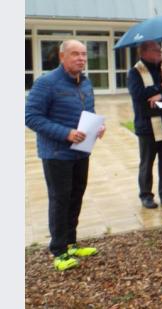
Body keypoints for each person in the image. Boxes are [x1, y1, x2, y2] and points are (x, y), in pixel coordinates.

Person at [25, 40, 106, 271]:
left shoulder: (86, 82)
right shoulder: (46, 83)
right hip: (56, 153)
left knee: (75, 196)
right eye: (74, 54)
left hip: (81, 152)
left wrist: (97, 127)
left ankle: (70, 243)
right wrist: (66, 133)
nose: (81, 58)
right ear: (62, 57)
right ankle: (59, 251)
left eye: (83, 54)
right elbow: (31, 117)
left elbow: (87, 112)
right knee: (60, 200)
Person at [127, 40, 162, 209]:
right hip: (147, 125)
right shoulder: (135, 72)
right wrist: (160, 87)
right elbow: (138, 95)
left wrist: (161, 96)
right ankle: (146, 195)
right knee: (147, 162)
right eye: (156, 51)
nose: (160, 53)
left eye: (160, 50)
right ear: (144, 52)